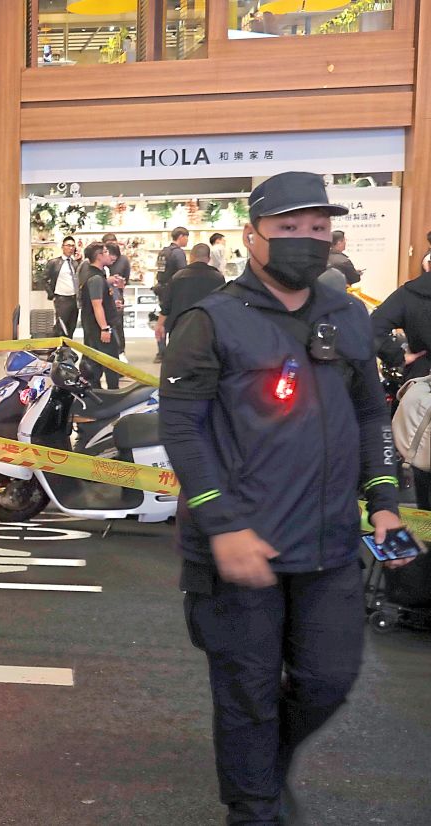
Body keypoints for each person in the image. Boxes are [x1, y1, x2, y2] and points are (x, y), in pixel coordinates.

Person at [158, 172, 410, 825]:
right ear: (252, 236)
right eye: (290, 229)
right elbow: (182, 427)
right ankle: (254, 804)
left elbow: (370, 416)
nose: (307, 241)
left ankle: (262, 768)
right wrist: (222, 524)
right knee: (247, 693)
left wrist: (383, 500)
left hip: (328, 544)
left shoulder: (348, 314)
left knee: (330, 677)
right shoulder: (211, 320)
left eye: (318, 229)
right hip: (240, 550)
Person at [373, 263, 431, 506]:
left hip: (423, 386)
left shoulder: (412, 293)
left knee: (423, 462)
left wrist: (398, 356)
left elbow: (372, 327)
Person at [155, 243, 224, 338]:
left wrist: (160, 324)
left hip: (180, 329)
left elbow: (167, 305)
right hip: (208, 330)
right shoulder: (218, 278)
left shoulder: (178, 276)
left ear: (191, 257)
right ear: (209, 258)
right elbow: (222, 304)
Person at [78, 241, 121, 390]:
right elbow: (97, 305)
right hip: (98, 329)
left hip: (94, 327)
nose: (109, 255)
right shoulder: (95, 278)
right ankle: (112, 395)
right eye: (106, 252)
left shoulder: (97, 276)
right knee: (110, 364)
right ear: (98, 256)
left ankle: (97, 393)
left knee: (95, 362)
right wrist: (104, 328)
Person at [154, 227, 189, 361]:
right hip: (174, 290)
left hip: (161, 288)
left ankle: (161, 351)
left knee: (162, 319)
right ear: (181, 236)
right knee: (176, 321)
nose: (187, 240)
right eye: (186, 237)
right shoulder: (178, 253)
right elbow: (183, 273)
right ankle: (174, 352)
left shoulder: (163, 252)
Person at [42, 237, 81, 337]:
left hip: (74, 299)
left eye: (73, 246)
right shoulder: (54, 263)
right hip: (62, 298)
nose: (71, 248)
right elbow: (44, 279)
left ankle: (67, 349)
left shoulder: (75, 263)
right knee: (61, 327)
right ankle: (55, 348)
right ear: (63, 247)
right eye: (68, 245)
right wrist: (51, 294)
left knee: (71, 326)